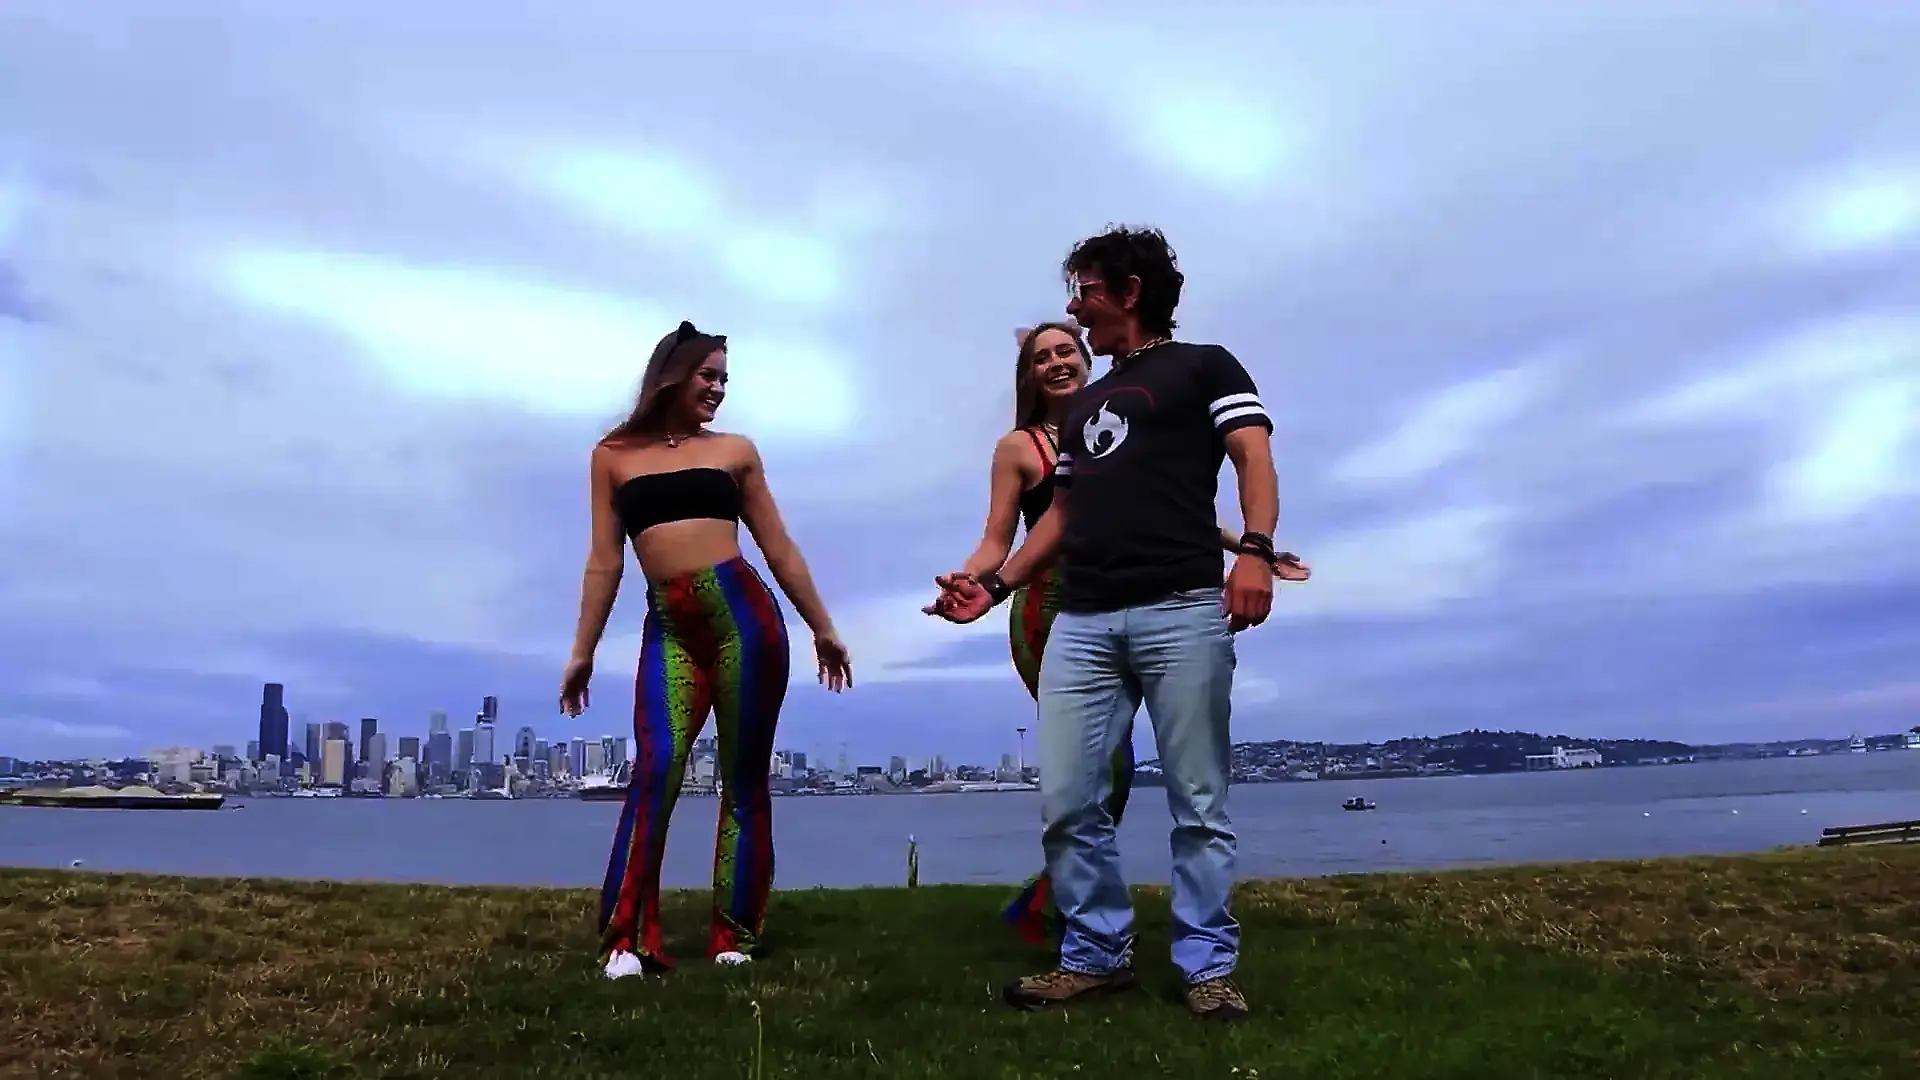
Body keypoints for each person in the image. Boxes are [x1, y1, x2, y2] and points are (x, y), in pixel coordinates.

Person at [929, 226, 1282, 1021]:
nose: (1075, 307)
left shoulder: (1206, 366)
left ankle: (1206, 967)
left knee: (1198, 802)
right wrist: (998, 585)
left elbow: (1252, 458)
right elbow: (1063, 513)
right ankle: (1094, 955)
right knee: (1067, 799)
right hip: (1082, 621)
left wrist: (1255, 553)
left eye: (1085, 291)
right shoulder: (1086, 404)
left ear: (1129, 291)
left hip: (1181, 609)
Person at [951, 319, 1309, 947]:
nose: (1058, 363)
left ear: (1085, 359)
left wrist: (1253, 549)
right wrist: (976, 579)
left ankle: (1063, 906)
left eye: (1067, 350)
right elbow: (998, 537)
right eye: (1043, 357)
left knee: (1141, 775)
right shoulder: (1018, 448)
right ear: (1029, 376)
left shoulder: (1122, 422)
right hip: (1052, 607)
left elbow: (1170, 510)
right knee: (1099, 767)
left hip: (1140, 598)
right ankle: (1068, 914)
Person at [560, 319, 853, 981]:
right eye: (708, 376)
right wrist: (583, 650)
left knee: (744, 779)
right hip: (668, 627)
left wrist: (822, 626)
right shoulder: (613, 456)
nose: (718, 389)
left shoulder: (735, 452)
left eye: (724, 379)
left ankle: (734, 932)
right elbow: (605, 561)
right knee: (656, 768)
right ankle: (625, 939)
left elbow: (778, 547)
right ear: (672, 375)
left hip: (743, 620)